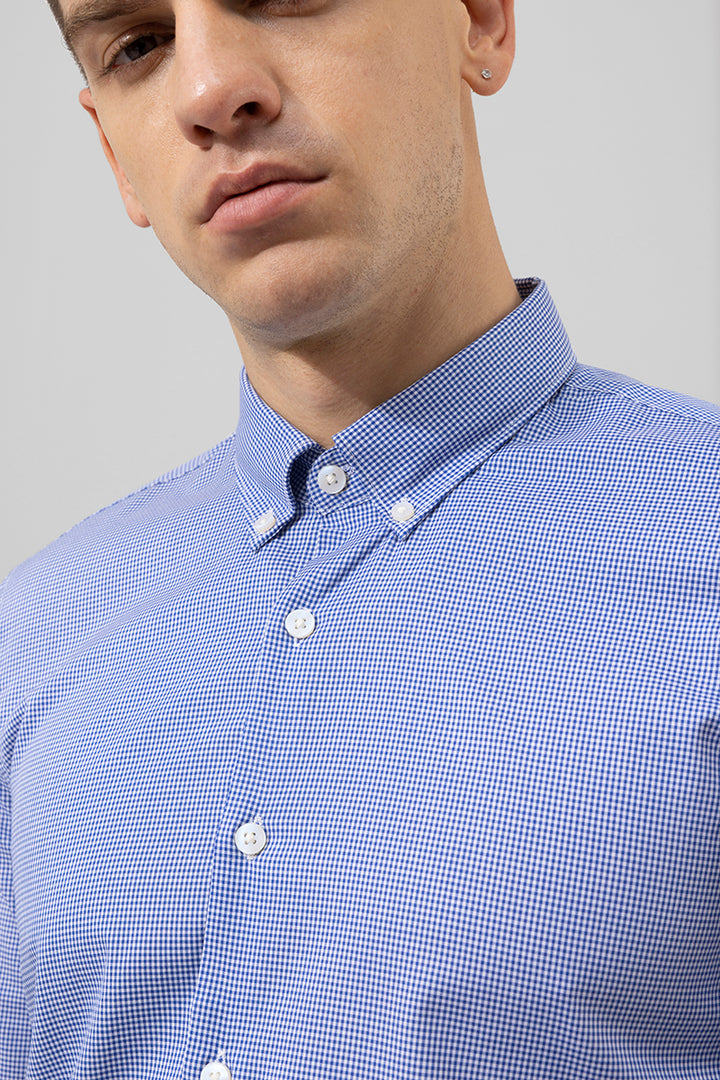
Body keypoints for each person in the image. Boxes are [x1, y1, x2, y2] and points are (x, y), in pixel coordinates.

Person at [1, 0, 719, 1076]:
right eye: (139, 45)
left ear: (480, 21)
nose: (210, 92)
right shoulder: (30, 641)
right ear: (113, 151)